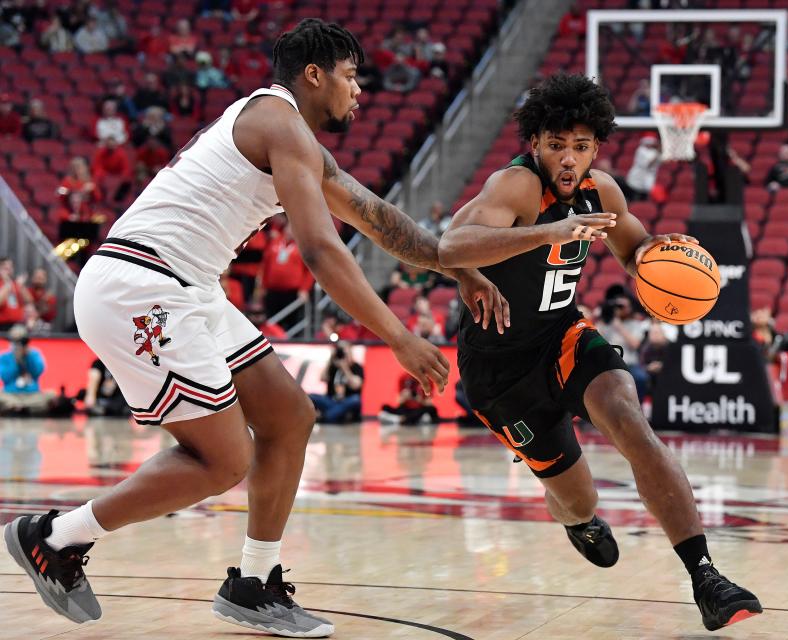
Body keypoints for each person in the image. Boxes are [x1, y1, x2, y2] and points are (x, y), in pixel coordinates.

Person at [4, 19, 507, 637]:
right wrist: (398, 336)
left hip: (187, 285)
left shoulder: (295, 140)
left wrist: (458, 270)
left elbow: (381, 220)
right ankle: (54, 536)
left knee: (289, 416)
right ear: (314, 75)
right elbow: (322, 252)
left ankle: (252, 582)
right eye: (351, 77)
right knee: (222, 461)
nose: (359, 93)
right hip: (143, 286)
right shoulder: (279, 121)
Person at [437, 72, 761, 632]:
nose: (569, 158)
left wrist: (666, 260)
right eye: (557, 145)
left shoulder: (601, 190)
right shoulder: (514, 187)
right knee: (576, 497)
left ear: (596, 148)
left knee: (630, 420)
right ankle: (578, 520)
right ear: (534, 143)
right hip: (498, 368)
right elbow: (450, 246)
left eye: (581, 146)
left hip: (562, 337)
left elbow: (636, 252)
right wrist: (549, 232)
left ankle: (705, 576)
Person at [0, 325, 55, 415]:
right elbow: (5, 377)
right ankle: (21, 408)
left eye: (20, 341)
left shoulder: (34, 354)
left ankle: (18, 408)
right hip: (11, 394)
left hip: (32, 394)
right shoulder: (4, 357)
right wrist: (16, 360)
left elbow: (37, 372)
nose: (17, 345)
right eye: (15, 341)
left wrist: (27, 357)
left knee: (51, 395)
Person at [309, 341, 363, 424]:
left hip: (347, 401)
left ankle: (326, 417)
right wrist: (330, 360)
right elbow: (323, 378)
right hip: (331, 400)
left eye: (345, 353)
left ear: (351, 353)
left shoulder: (357, 367)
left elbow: (356, 385)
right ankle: (335, 415)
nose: (342, 356)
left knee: (356, 400)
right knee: (311, 396)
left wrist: (345, 368)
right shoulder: (333, 366)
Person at [625, 134, 663, 202]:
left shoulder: (653, 152)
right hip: (638, 177)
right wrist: (658, 152)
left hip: (648, 177)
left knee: (644, 198)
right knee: (634, 197)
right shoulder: (641, 150)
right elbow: (648, 164)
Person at [0, 257, 25, 330]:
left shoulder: (16, 284)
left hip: (17, 324)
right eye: (6, 268)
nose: (9, 270)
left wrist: (21, 286)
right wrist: (7, 282)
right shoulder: (5, 284)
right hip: (3, 325)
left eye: (11, 267)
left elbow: (29, 301)